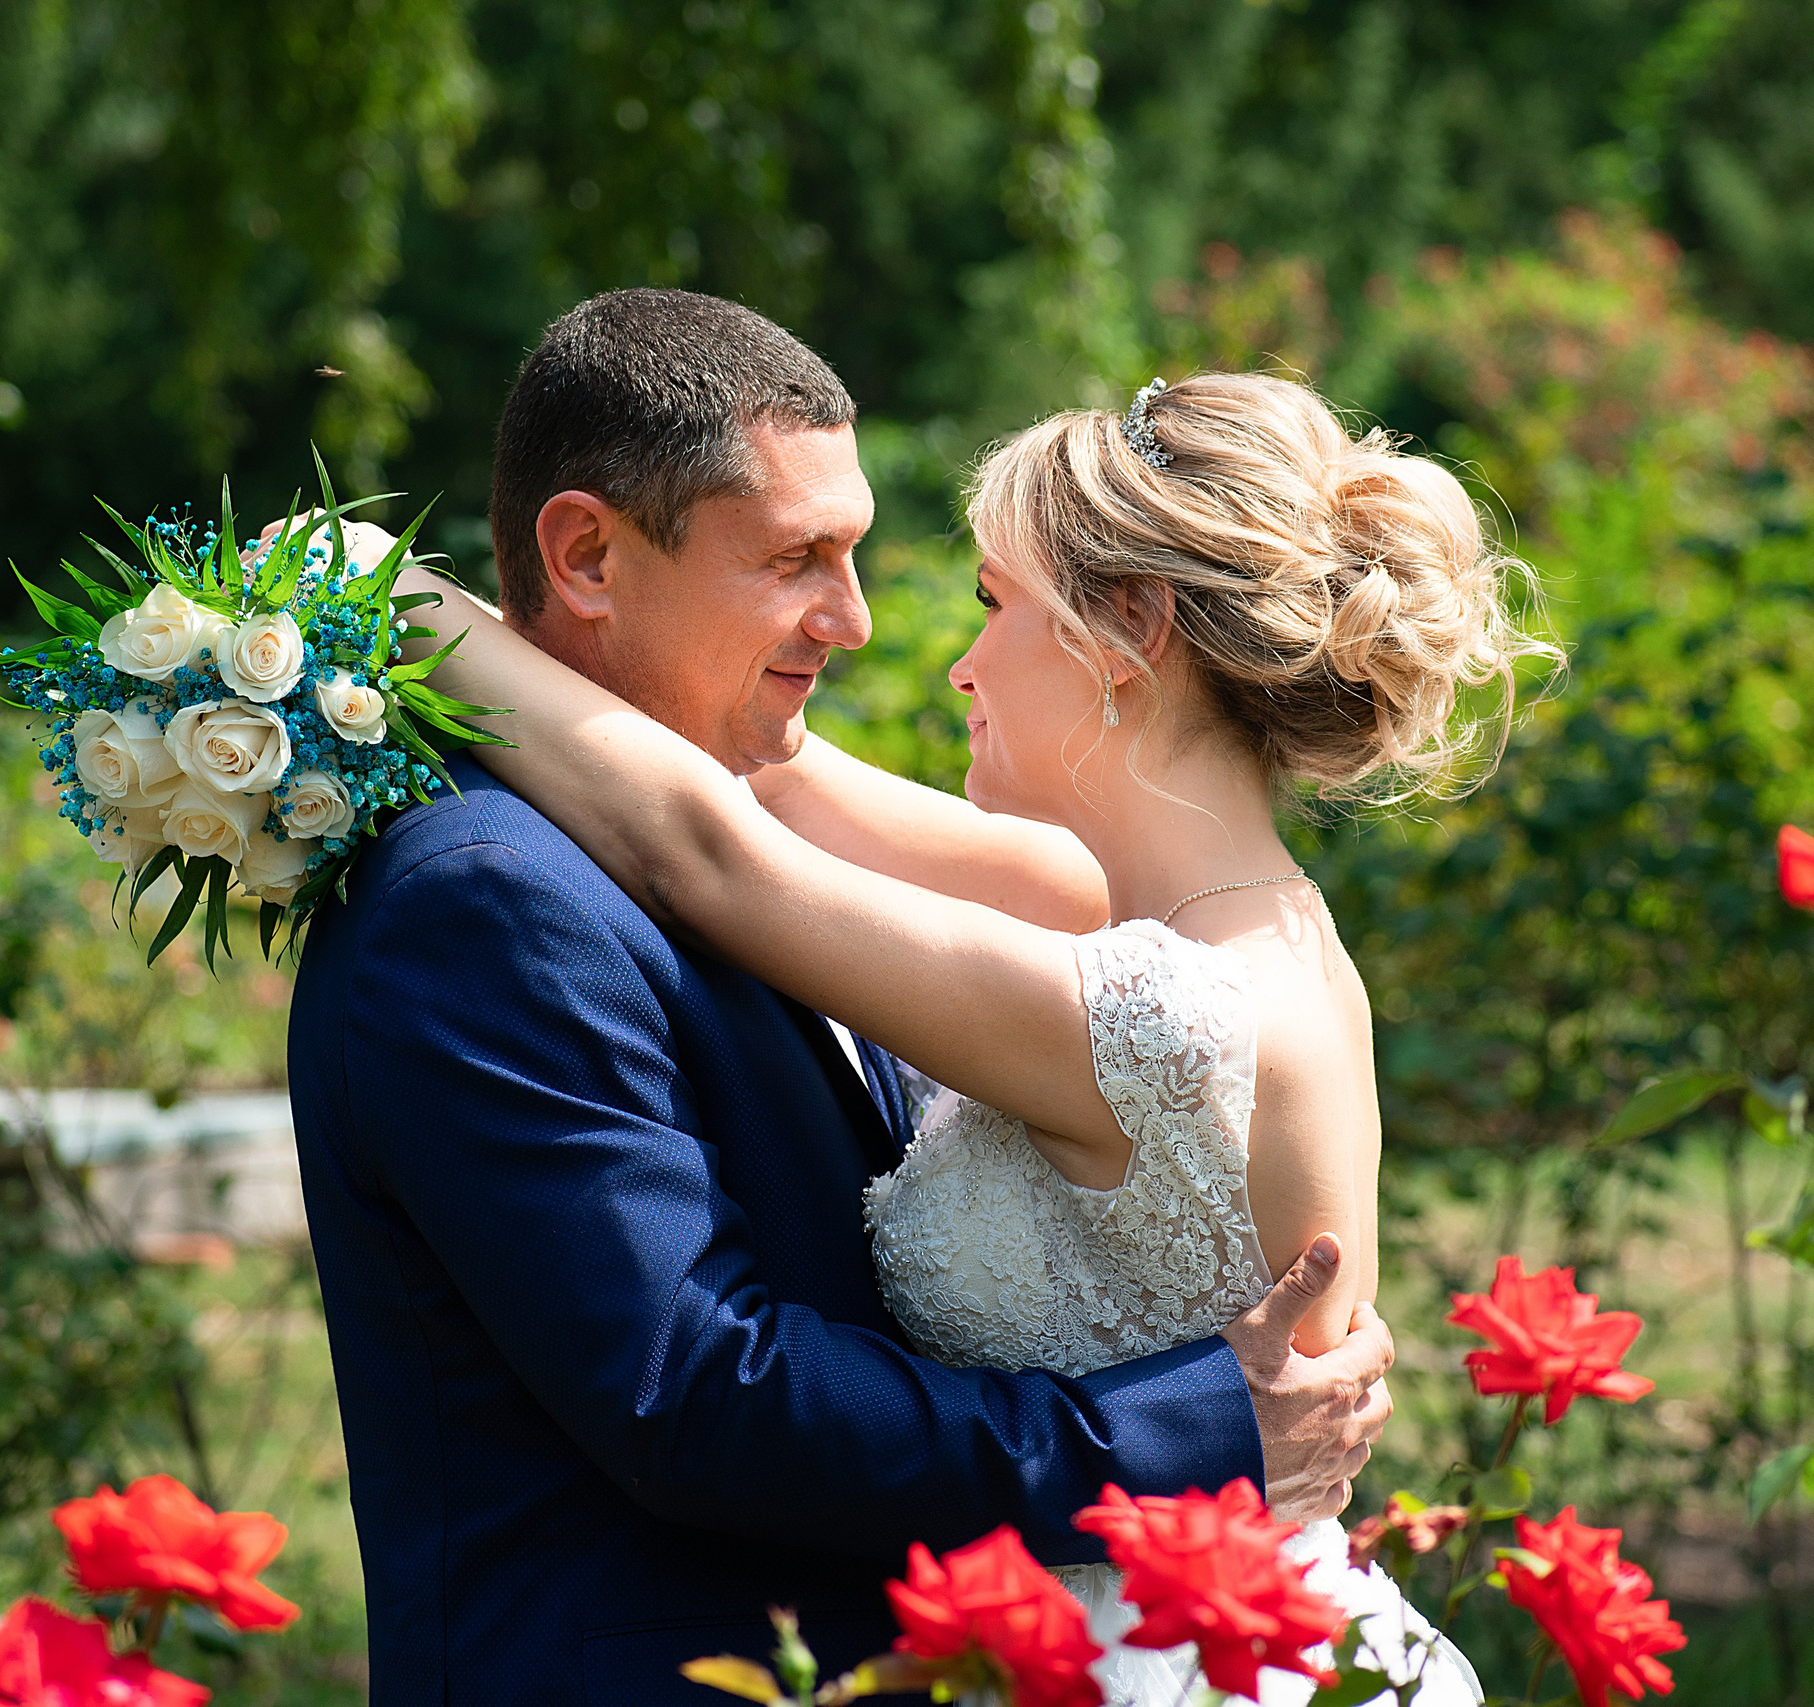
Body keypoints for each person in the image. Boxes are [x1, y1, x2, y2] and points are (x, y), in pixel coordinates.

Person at [286, 290, 1398, 1707]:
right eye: (800, 556)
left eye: (977, 600)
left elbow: (717, 839)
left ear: (1136, 638)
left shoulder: (1117, 971)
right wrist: (1201, 1425)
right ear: (585, 554)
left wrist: (415, 616)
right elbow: (698, 1395)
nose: (879, 629)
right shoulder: (485, 897)